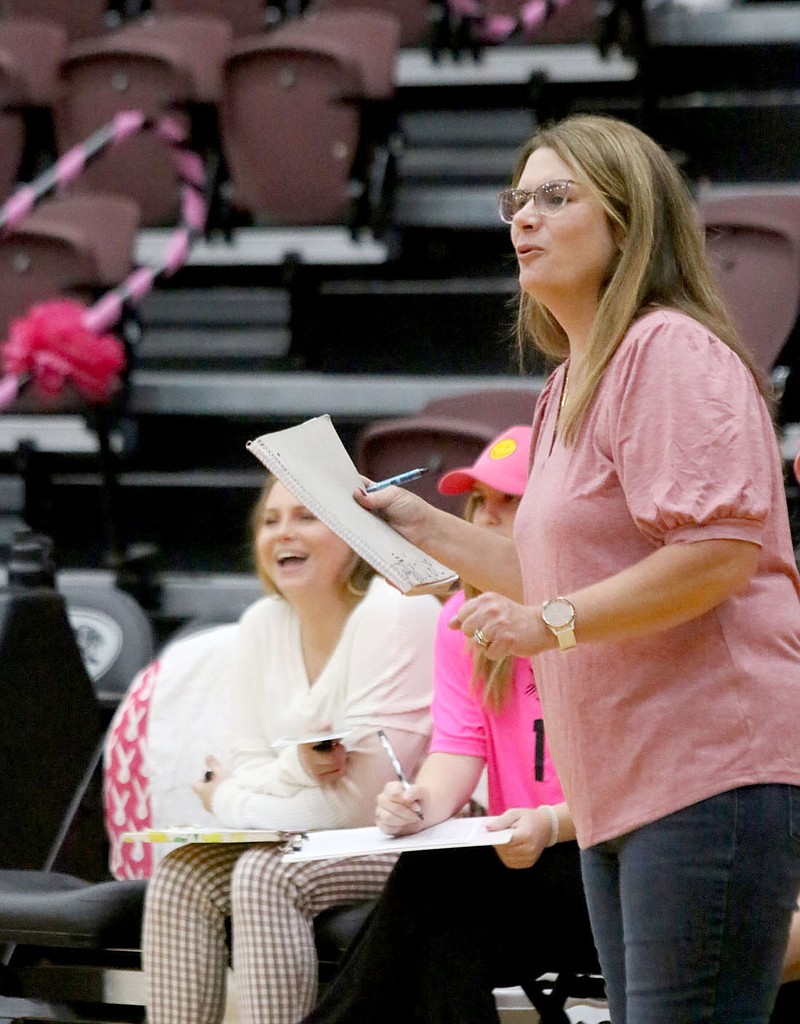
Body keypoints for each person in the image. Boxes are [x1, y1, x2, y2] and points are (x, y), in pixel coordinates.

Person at [357, 114, 800, 1024]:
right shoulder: (569, 381)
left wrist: (549, 626)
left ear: (629, 223)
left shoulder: (669, 352)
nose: (525, 217)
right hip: (621, 786)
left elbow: (717, 555)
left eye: (557, 197)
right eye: (516, 199)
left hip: (709, 768)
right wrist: (418, 526)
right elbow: (542, 567)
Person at [300, 424, 598, 1024]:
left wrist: (547, 822)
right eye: (478, 502)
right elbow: (458, 748)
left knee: (436, 871)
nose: (487, 518)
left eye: (509, 502)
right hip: (523, 865)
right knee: (444, 952)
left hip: (602, 860)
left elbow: (637, 779)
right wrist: (419, 802)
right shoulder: (462, 619)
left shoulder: (593, 614)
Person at [141, 474, 440, 1024]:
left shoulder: (398, 611)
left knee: (265, 872)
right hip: (312, 838)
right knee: (181, 873)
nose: (283, 534)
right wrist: (297, 767)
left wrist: (226, 798)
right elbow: (254, 762)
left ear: (354, 532)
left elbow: (355, 806)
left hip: (421, 839)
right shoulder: (260, 625)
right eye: (270, 521)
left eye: (306, 516)